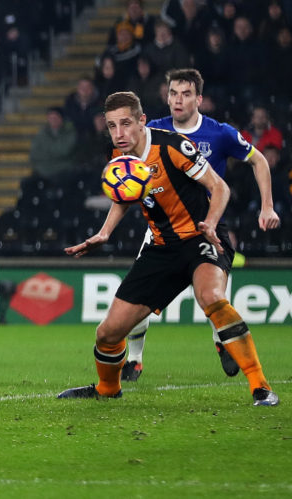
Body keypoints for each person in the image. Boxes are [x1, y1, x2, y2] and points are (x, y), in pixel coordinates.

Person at [59, 91, 278, 407]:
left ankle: (261, 387)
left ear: (141, 120)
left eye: (125, 124)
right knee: (107, 333)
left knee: (212, 298)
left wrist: (212, 222)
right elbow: (125, 195)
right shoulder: (119, 158)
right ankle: (108, 389)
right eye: (111, 126)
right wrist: (104, 233)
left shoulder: (172, 146)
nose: (119, 134)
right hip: (162, 247)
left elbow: (219, 186)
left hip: (203, 238)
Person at [119, 69, 282, 381]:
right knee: (137, 296)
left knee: (211, 293)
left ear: (199, 99)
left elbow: (259, 160)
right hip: (162, 227)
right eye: (173, 94)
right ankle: (135, 360)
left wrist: (267, 206)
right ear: (166, 97)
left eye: (186, 94)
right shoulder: (152, 129)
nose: (178, 100)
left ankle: (222, 341)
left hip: (203, 224)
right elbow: (128, 167)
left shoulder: (219, 133)